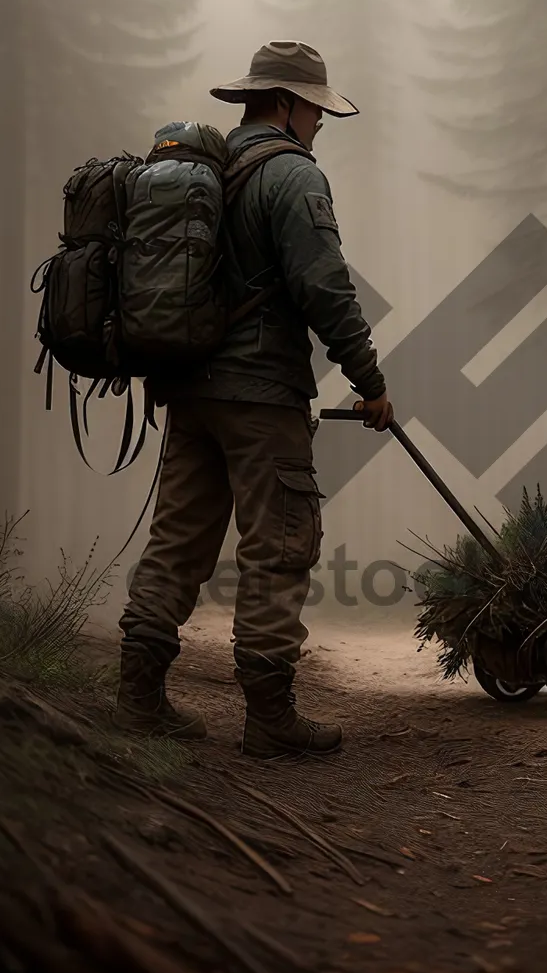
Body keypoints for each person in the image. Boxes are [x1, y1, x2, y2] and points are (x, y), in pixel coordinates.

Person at [114, 40, 394, 758]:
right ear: (287, 104)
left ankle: (138, 699)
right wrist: (370, 382)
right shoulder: (294, 175)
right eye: (316, 109)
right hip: (262, 399)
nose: (321, 123)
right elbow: (325, 288)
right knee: (278, 548)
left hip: (189, 390)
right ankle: (270, 717)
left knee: (177, 544)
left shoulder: (210, 169)